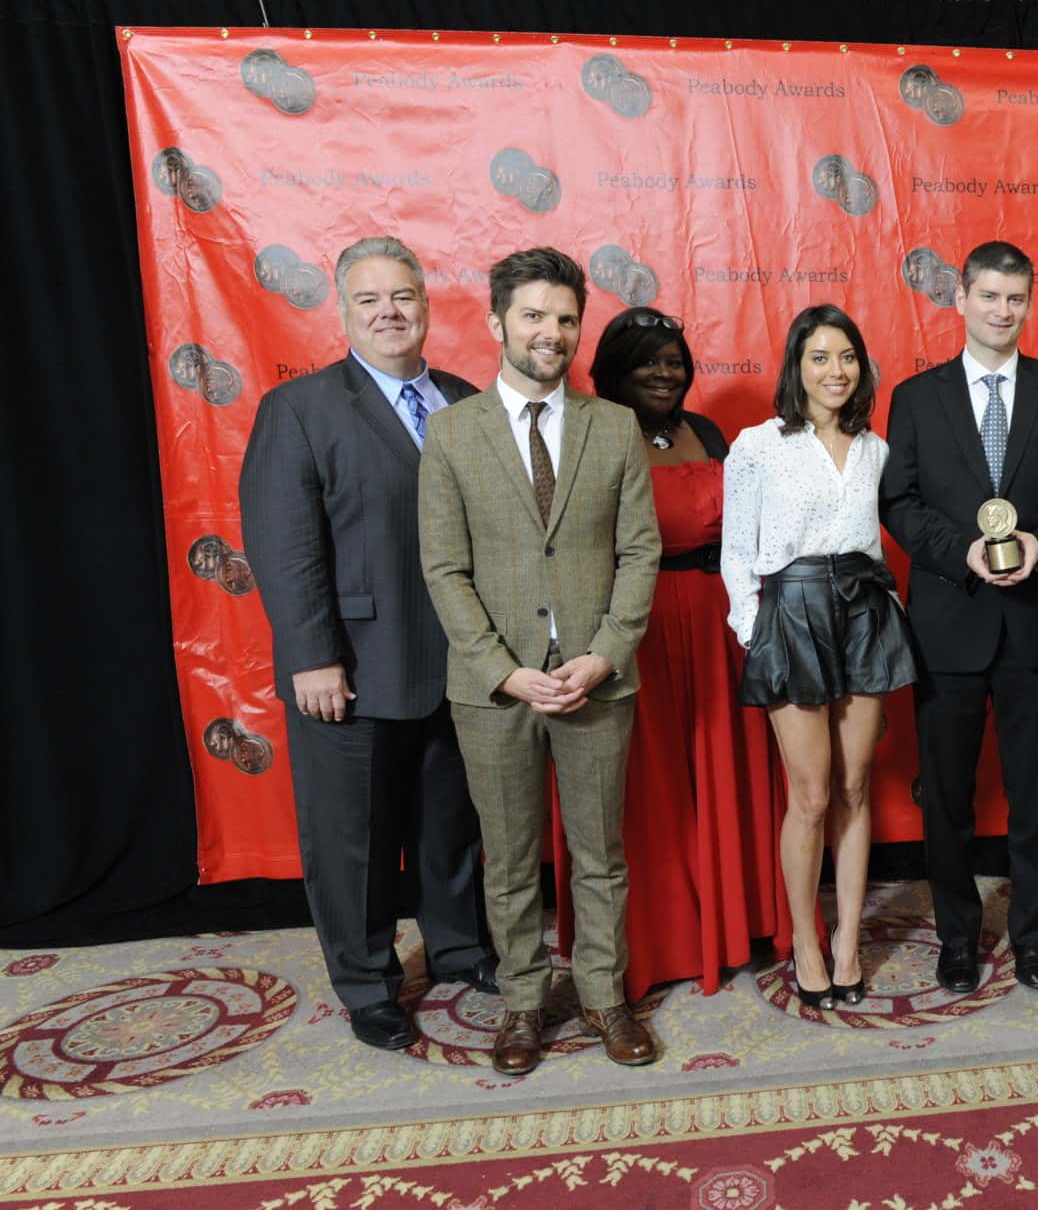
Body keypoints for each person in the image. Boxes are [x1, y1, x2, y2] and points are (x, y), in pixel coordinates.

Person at [239, 236, 496, 1052]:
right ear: (343, 312)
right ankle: (366, 983)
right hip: (346, 666)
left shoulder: (464, 400)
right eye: (370, 300)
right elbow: (285, 545)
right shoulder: (301, 409)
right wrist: (312, 654)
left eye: (403, 297)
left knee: (450, 823)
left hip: (457, 660)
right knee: (352, 838)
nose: (390, 313)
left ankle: (458, 948)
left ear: (427, 304)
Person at [419, 247, 661, 1076]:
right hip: (496, 690)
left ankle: (603, 995)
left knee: (599, 853)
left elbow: (639, 552)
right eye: (532, 316)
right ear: (496, 324)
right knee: (511, 856)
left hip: (597, 681)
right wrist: (503, 669)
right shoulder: (450, 433)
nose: (550, 333)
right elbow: (444, 569)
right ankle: (523, 1002)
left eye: (564, 318)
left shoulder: (615, 426)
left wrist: (602, 655)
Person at [881, 241, 1038, 994]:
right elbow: (898, 502)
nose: (1002, 311)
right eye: (989, 296)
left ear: (1029, 304)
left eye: (1016, 299)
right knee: (946, 796)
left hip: (1035, 622)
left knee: (1037, 793)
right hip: (950, 624)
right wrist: (960, 552)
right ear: (961, 299)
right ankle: (957, 935)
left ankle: (1032, 933)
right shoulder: (916, 396)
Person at [586, 308, 787, 1001]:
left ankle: (745, 922)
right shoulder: (594, 432)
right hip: (636, 627)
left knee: (726, 771)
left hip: (716, 625)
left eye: (674, 361)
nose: (664, 373)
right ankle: (671, 939)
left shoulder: (705, 431)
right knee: (658, 787)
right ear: (615, 369)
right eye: (647, 360)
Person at [722, 304, 915, 1010]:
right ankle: (805, 937)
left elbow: (879, 542)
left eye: (847, 357)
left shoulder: (877, 448)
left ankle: (848, 940)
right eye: (820, 357)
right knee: (808, 794)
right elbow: (737, 552)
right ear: (796, 368)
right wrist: (757, 634)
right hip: (793, 615)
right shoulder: (758, 445)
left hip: (866, 611)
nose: (835, 371)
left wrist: (890, 613)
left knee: (855, 786)